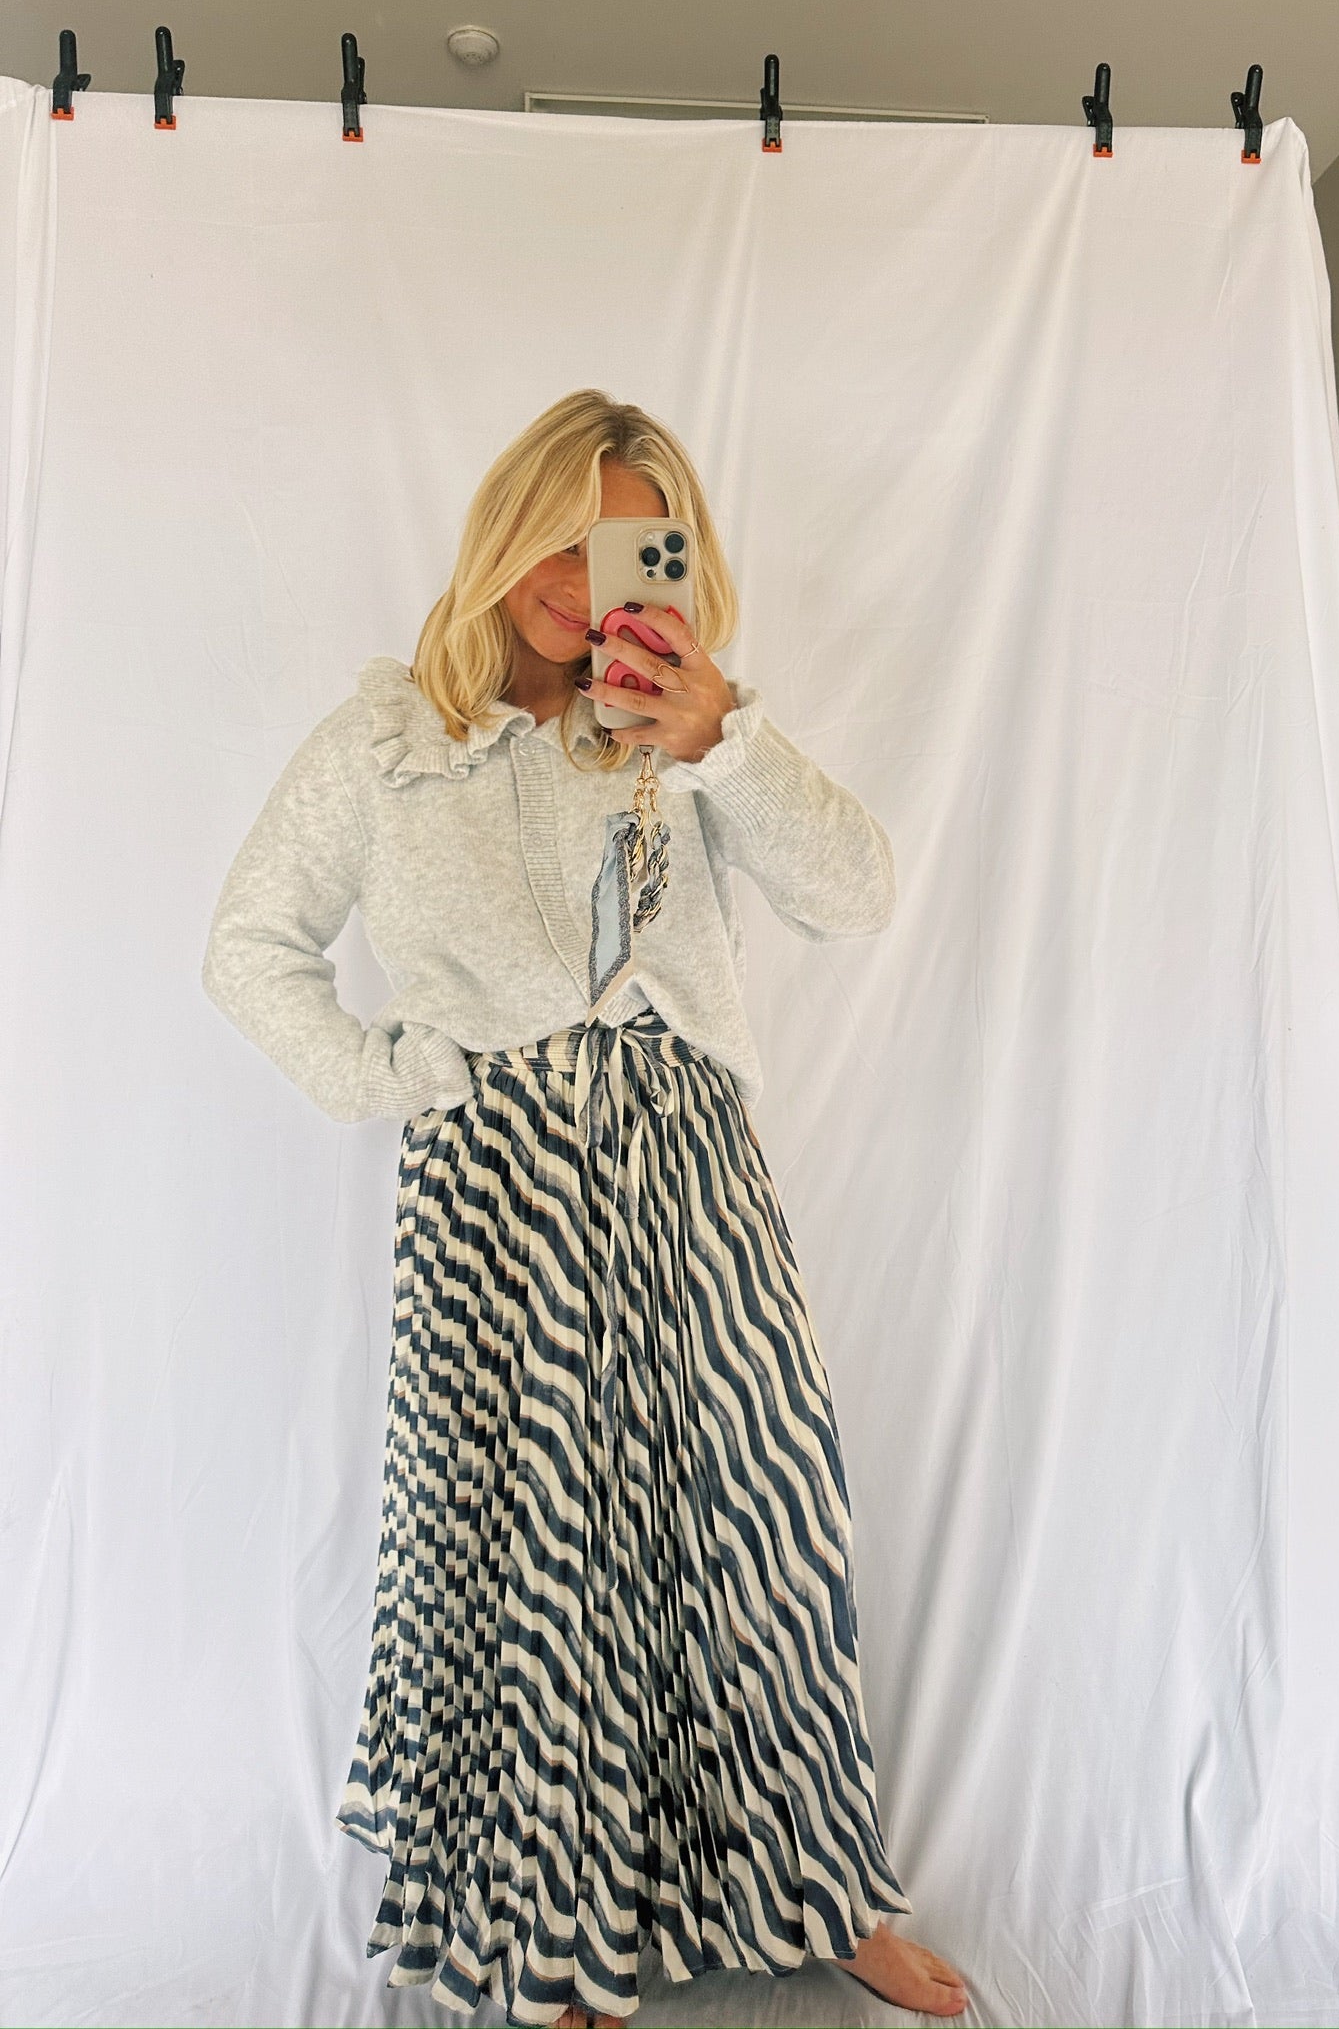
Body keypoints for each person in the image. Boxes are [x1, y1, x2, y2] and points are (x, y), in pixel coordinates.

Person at [201, 388, 968, 2027]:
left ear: (668, 566)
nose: (575, 576)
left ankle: (819, 1889)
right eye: (554, 533)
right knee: (534, 1560)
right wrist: (392, 1076)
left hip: (688, 1161)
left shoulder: (679, 731)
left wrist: (721, 736)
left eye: (617, 546)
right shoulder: (386, 742)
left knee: (761, 1528)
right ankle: (566, 1935)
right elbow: (250, 946)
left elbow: (857, 895)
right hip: (491, 1190)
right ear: (501, 530)